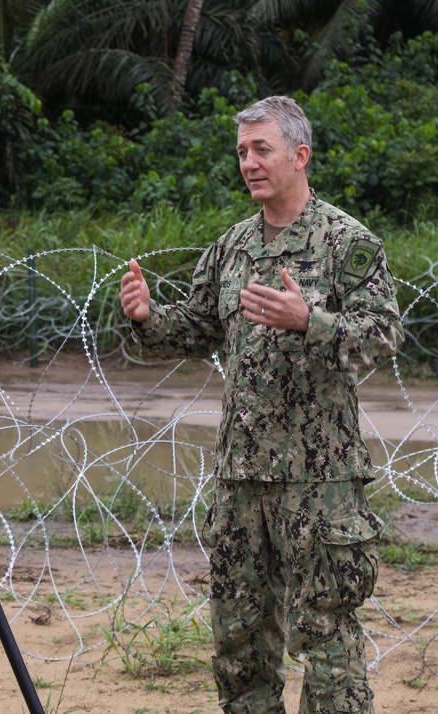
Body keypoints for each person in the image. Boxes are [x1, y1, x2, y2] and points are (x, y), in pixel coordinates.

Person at [119, 96, 403, 713]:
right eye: (243, 151)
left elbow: (381, 336)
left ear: (300, 156)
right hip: (242, 477)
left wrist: (312, 323)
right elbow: (195, 328)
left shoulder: (346, 243)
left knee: (326, 638)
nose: (249, 162)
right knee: (239, 643)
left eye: (262, 149)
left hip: (318, 480)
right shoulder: (232, 248)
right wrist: (146, 319)